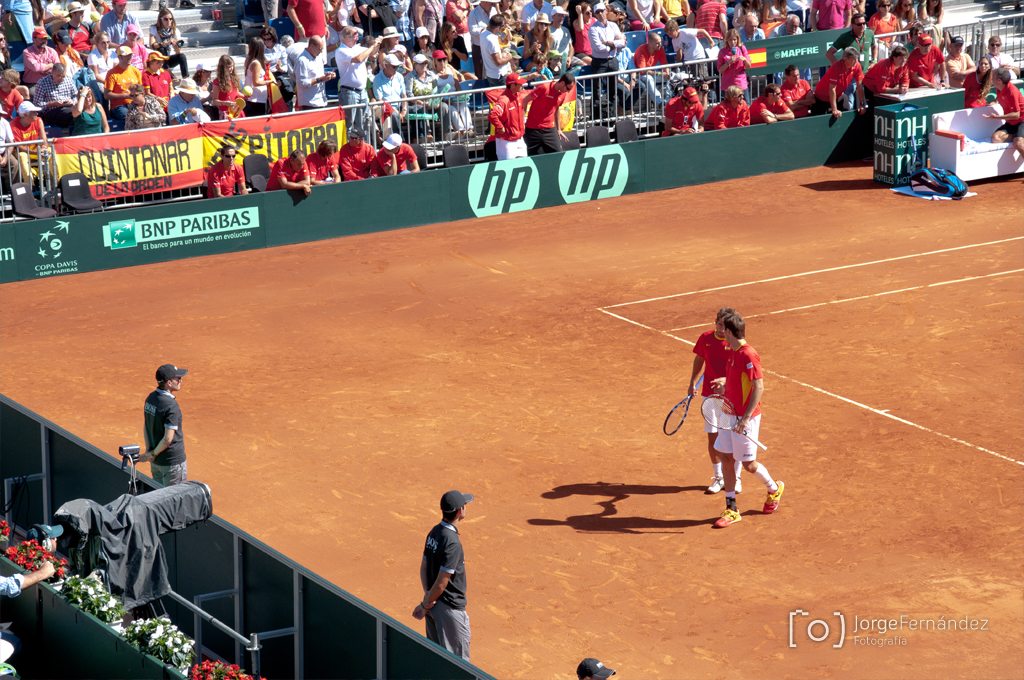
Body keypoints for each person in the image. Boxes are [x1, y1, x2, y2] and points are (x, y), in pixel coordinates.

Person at [709, 312, 784, 529]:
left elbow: (758, 387)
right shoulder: (732, 352)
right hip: (728, 413)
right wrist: (726, 385)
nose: (719, 331)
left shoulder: (748, 354)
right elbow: (739, 380)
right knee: (727, 458)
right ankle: (731, 509)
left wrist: (745, 418)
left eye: (722, 328)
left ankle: (773, 488)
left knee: (749, 465)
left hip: (744, 418)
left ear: (729, 331)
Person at [411, 490, 473, 661]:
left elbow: (424, 568)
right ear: (460, 511)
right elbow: (441, 583)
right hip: (449, 611)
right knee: (458, 666)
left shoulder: (434, 532)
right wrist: (425, 604)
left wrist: (428, 598)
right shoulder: (453, 542)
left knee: (437, 660)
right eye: (465, 505)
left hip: (433, 606)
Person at [688, 309, 739, 493]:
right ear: (715, 322)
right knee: (713, 437)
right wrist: (692, 383)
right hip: (710, 395)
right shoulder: (705, 338)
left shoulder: (734, 342)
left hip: (731, 396)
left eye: (725, 326)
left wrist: (728, 384)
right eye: (718, 324)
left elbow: (739, 369)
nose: (721, 329)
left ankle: (736, 477)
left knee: (734, 437)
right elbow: (699, 359)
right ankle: (719, 477)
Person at [139, 364, 189, 487]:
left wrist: (149, 450)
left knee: (160, 495)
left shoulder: (150, 398)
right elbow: (167, 439)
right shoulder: (171, 405)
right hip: (172, 464)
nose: (180, 381)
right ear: (169, 383)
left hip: (156, 463)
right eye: (177, 378)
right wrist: (153, 454)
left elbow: (147, 426)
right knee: (174, 498)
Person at [336, 27, 383, 134]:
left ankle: (363, 143)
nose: (357, 39)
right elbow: (358, 59)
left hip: (362, 91)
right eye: (355, 36)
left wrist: (377, 43)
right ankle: (348, 144)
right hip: (349, 92)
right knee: (349, 124)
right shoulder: (341, 51)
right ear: (346, 37)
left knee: (364, 122)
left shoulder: (357, 48)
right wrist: (372, 46)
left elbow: (372, 53)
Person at [521, 71, 573, 154]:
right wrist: (522, 122)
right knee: (530, 156)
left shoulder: (563, 94)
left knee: (559, 154)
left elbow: (557, 109)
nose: (568, 91)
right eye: (568, 89)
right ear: (562, 83)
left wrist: (558, 129)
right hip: (532, 128)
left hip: (549, 129)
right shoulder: (544, 87)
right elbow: (525, 100)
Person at [589, 2, 624, 115]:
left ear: (606, 11)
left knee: (613, 91)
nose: (600, 14)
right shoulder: (593, 29)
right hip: (599, 62)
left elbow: (622, 43)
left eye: (602, 11)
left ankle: (612, 117)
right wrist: (613, 45)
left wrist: (608, 43)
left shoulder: (613, 25)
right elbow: (598, 48)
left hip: (612, 60)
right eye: (597, 12)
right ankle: (596, 118)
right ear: (595, 15)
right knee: (597, 92)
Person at [811, 46, 866, 118]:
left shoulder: (857, 65)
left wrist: (862, 104)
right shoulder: (835, 67)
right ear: (845, 59)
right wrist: (834, 109)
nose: (856, 61)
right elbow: (832, 89)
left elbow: (859, 86)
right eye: (854, 59)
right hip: (822, 98)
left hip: (838, 96)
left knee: (847, 115)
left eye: (857, 58)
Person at [487, 71, 527, 158]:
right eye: (519, 84)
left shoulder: (518, 96)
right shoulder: (503, 100)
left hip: (519, 138)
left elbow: (522, 110)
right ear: (512, 86)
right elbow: (492, 115)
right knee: (507, 165)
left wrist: (523, 123)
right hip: (506, 141)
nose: (522, 85)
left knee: (524, 163)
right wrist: (500, 127)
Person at [985, 68, 1023, 154]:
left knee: (1018, 144)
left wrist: (996, 117)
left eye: (993, 78)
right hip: (1010, 123)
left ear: (999, 81)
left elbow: (1016, 115)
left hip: (1022, 122)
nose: (991, 79)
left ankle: (1019, 137)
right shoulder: (999, 88)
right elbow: (1000, 96)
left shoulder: (1012, 92)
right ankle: (1019, 136)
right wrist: (995, 101)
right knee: (995, 139)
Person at [32, 62, 77, 128]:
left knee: (80, 112)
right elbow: (37, 105)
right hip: (52, 112)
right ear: (52, 73)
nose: (61, 79)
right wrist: (53, 104)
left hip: (68, 108)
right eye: (58, 76)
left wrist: (73, 102)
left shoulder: (69, 80)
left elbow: (75, 96)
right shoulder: (42, 83)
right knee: (75, 113)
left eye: (63, 76)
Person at [296, 35, 336, 109]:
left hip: (321, 100)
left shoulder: (319, 57)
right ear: (312, 46)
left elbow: (319, 75)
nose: (321, 51)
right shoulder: (302, 61)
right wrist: (320, 79)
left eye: (322, 49)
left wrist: (328, 75)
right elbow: (302, 83)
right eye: (319, 49)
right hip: (309, 104)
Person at [149, 7, 189, 79]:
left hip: (169, 57)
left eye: (170, 19)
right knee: (162, 49)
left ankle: (186, 78)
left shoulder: (175, 30)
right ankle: (169, 74)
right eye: (166, 19)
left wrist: (177, 46)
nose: (169, 21)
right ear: (161, 19)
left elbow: (179, 52)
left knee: (182, 56)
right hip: (158, 58)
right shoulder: (154, 28)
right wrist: (167, 43)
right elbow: (152, 45)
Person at [372, 53, 408, 133]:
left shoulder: (399, 76)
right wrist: (393, 109)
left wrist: (404, 110)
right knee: (394, 115)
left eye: (398, 66)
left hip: (400, 107)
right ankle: (399, 139)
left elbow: (404, 95)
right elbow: (380, 101)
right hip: (387, 109)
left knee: (419, 109)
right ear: (386, 65)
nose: (396, 69)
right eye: (394, 66)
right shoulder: (377, 79)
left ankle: (421, 136)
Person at [104, 45, 141, 119]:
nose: (129, 57)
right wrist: (125, 95)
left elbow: (141, 90)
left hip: (135, 104)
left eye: (130, 55)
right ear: (119, 57)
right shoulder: (111, 73)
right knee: (132, 117)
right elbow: (107, 95)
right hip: (119, 106)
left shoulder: (136, 71)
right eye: (127, 55)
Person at [633, 31, 667, 107]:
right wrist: (660, 74)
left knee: (672, 76)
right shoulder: (641, 50)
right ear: (650, 43)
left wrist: (667, 72)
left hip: (652, 73)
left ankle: (670, 102)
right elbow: (642, 71)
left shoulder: (660, 48)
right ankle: (660, 104)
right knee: (648, 78)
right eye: (657, 43)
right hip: (639, 75)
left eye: (660, 42)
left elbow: (665, 64)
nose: (660, 45)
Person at [481, 14, 516, 86]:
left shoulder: (482, 33)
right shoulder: (492, 39)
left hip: (490, 75)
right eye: (503, 25)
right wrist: (509, 57)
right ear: (498, 27)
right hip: (499, 76)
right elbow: (498, 62)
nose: (504, 27)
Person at [717, 29, 750, 102]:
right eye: (730, 40)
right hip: (728, 85)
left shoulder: (742, 48)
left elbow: (749, 66)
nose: (732, 42)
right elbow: (720, 70)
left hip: (741, 83)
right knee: (729, 106)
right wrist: (728, 62)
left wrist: (744, 59)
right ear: (727, 40)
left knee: (746, 104)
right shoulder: (722, 52)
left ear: (737, 40)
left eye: (734, 40)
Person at [469, 0, 498, 79]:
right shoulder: (473, 13)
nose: (492, 5)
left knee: (494, 71)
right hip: (479, 48)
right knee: (481, 74)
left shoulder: (494, 10)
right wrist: (484, 30)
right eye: (491, 3)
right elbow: (472, 31)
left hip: (493, 46)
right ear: (484, 2)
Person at [210, 54, 243, 119]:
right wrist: (224, 103)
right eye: (229, 67)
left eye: (232, 66)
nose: (231, 68)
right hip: (225, 113)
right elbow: (215, 100)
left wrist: (245, 96)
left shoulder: (234, 78)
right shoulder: (217, 81)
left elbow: (236, 93)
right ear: (223, 68)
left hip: (236, 111)